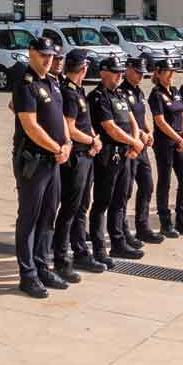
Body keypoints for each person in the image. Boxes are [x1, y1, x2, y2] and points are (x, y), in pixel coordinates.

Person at [10, 36, 69, 299]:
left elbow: (61, 119)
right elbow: (30, 126)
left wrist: (66, 143)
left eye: (51, 55)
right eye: (43, 54)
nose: (48, 59)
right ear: (31, 53)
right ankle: (28, 274)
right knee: (30, 218)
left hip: (53, 160)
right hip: (33, 161)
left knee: (48, 215)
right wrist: (56, 148)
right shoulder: (26, 84)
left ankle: (42, 265)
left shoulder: (52, 82)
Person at [88, 55, 143, 262]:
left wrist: (135, 143)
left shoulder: (120, 94)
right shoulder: (98, 96)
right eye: (115, 72)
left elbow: (132, 121)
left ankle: (119, 243)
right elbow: (109, 127)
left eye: (121, 72)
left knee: (120, 200)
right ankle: (99, 249)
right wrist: (134, 142)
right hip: (108, 156)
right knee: (102, 202)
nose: (120, 75)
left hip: (126, 153)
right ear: (103, 73)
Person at [53, 49, 102, 279]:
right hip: (76, 157)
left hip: (87, 153)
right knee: (70, 209)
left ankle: (80, 250)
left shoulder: (78, 91)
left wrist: (94, 140)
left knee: (82, 205)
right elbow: (71, 129)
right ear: (83, 69)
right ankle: (62, 258)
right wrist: (92, 140)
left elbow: (85, 123)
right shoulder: (70, 94)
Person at [147, 58, 183, 236]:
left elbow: (182, 114)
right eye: (167, 71)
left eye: (173, 71)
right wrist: (177, 138)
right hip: (164, 143)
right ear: (158, 73)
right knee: (165, 182)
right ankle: (165, 222)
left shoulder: (175, 91)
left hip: (179, 141)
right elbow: (160, 122)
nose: (171, 75)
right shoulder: (156, 94)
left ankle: (182, 218)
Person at [123, 57, 163, 245]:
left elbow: (141, 116)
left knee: (147, 186)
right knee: (125, 191)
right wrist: (140, 134)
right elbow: (125, 120)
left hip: (142, 147)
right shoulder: (121, 91)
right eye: (137, 71)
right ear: (128, 69)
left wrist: (148, 131)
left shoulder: (138, 91)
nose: (140, 75)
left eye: (142, 72)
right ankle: (123, 231)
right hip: (130, 146)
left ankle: (142, 227)